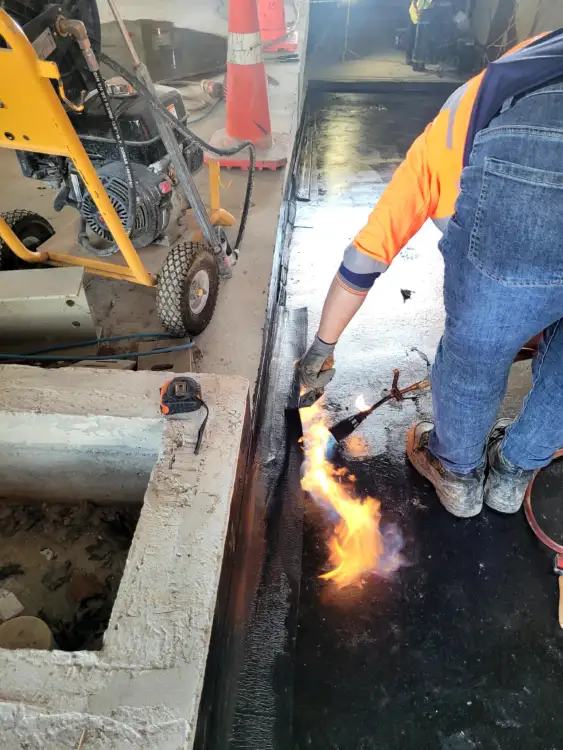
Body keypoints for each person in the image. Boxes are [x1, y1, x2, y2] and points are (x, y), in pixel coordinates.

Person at [298, 30, 563, 519]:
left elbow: (366, 257)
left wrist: (322, 347)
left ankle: (457, 473)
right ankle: (515, 471)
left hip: (530, 156)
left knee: (478, 346)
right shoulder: (523, 66)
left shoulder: (438, 151)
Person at [406, 0, 433, 71]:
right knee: (417, 40)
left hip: (420, 15)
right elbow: (417, 3)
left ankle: (416, 61)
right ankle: (415, 62)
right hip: (417, 15)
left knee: (418, 40)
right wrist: (418, 11)